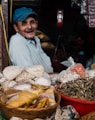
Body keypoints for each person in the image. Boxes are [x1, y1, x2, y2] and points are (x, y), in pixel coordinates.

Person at [9, 7, 53, 73]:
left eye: (32, 22)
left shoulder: (36, 39)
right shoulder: (17, 41)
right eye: (24, 23)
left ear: (37, 23)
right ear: (16, 28)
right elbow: (29, 72)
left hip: (47, 80)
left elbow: (46, 65)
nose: (29, 27)